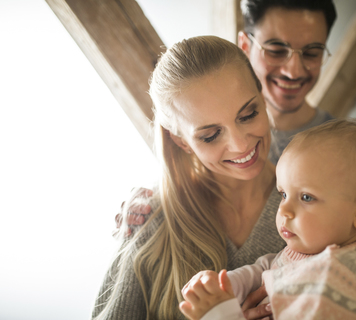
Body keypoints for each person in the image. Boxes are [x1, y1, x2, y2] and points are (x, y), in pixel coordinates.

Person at [119, 1, 356, 319]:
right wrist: (154, 200)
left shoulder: (354, 155)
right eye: (276, 49)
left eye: (312, 52)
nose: (294, 70)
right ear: (246, 47)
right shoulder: (165, 211)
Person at [92, 36, 284, 320]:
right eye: (210, 135)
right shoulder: (149, 219)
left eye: (248, 114)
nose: (240, 145)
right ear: (181, 141)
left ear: (262, 97)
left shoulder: (318, 197)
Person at [179, 119, 356, 320]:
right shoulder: (318, 250)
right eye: (283, 194)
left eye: (306, 197)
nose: (284, 209)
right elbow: (270, 267)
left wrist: (221, 313)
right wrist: (227, 285)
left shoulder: (337, 280)